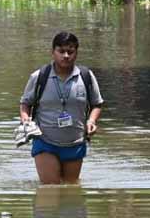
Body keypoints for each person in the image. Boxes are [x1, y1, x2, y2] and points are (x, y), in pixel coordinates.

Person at [19, 32, 104, 185]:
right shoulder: (39, 76)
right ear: (53, 52)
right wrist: (26, 122)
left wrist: (91, 121)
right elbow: (25, 103)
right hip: (45, 141)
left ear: (76, 53)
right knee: (50, 188)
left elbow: (96, 104)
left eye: (70, 52)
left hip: (76, 142)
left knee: (71, 189)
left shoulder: (86, 76)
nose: (66, 56)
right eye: (61, 51)